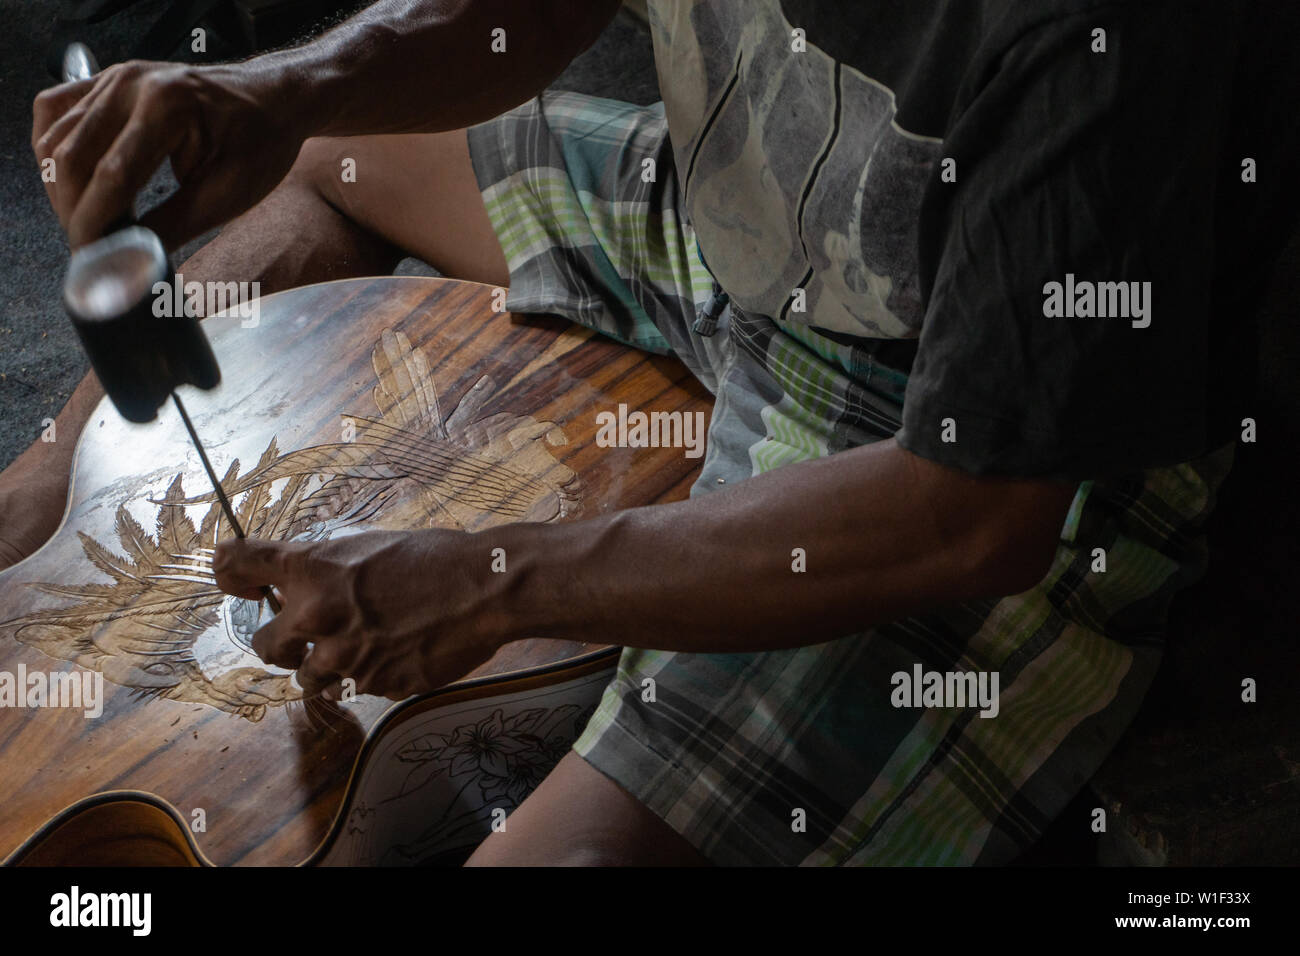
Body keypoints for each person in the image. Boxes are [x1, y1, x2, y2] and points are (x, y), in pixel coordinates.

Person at [15, 0, 1299, 865]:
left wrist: (493, 574)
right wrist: (282, 90)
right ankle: (45, 492)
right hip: (749, 232)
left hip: (966, 434)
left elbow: (973, 518)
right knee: (332, 157)